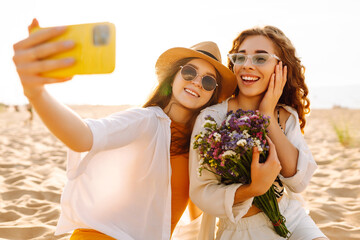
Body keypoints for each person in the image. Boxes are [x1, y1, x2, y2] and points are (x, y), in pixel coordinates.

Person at [12, 19, 239, 239]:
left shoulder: (200, 143)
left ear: (212, 94)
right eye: (190, 72)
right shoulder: (146, 120)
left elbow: (196, 213)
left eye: (208, 81)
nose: (197, 82)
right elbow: (83, 136)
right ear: (174, 76)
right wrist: (36, 93)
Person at [189, 26, 328, 239]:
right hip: (241, 230)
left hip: (291, 216)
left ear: (280, 68)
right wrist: (253, 189)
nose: (247, 66)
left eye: (260, 59)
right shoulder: (211, 119)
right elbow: (202, 193)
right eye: (240, 58)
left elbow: (298, 182)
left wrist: (267, 115)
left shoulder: (284, 115)